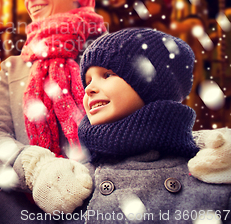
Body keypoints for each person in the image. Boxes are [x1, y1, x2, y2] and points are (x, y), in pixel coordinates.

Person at [0, 0, 106, 222]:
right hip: (21, 209)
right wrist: (35, 169)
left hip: (98, 203)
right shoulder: (16, 65)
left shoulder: (110, 54)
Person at [70, 28, 231, 223]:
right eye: (87, 81)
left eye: (107, 75)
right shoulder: (74, 182)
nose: (89, 89)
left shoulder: (212, 174)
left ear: (153, 84)